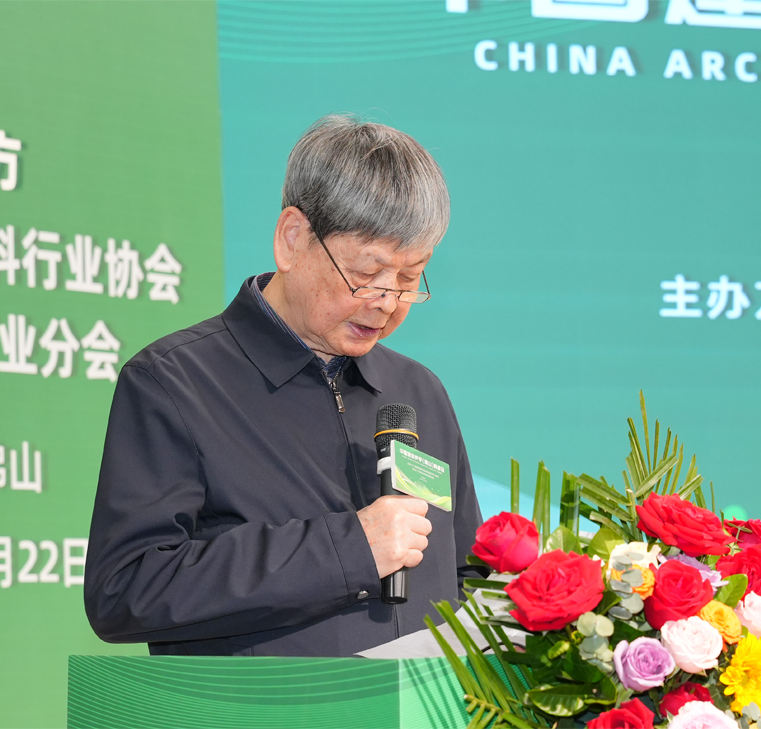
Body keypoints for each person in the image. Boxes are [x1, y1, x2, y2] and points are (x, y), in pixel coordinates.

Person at [84, 114, 483, 657]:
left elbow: (465, 576)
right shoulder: (174, 382)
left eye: (409, 278)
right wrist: (347, 551)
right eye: (367, 275)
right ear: (292, 239)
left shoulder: (418, 390)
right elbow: (126, 587)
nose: (387, 302)